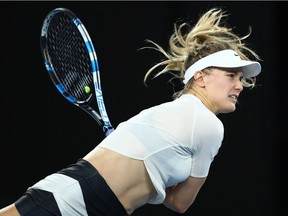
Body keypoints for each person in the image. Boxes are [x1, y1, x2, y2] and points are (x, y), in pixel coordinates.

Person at [0, 7, 262, 216]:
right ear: (201, 78)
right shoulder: (208, 125)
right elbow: (180, 203)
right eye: (231, 76)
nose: (239, 85)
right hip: (77, 198)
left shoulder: (169, 113)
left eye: (240, 78)